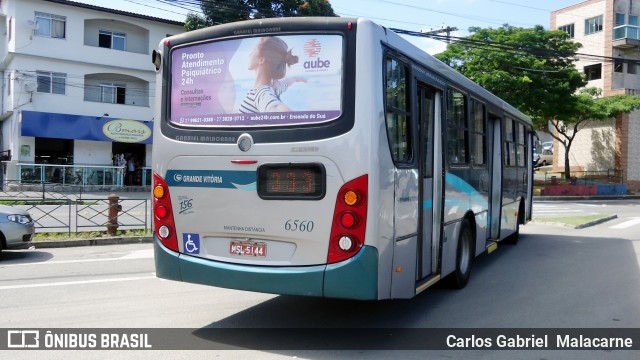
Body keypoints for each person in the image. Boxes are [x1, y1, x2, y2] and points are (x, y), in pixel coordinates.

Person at [239, 37, 306, 113]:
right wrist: (300, 79)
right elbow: (289, 81)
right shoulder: (275, 87)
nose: (250, 53)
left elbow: (277, 108)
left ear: (261, 60)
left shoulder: (261, 92)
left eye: (253, 50)